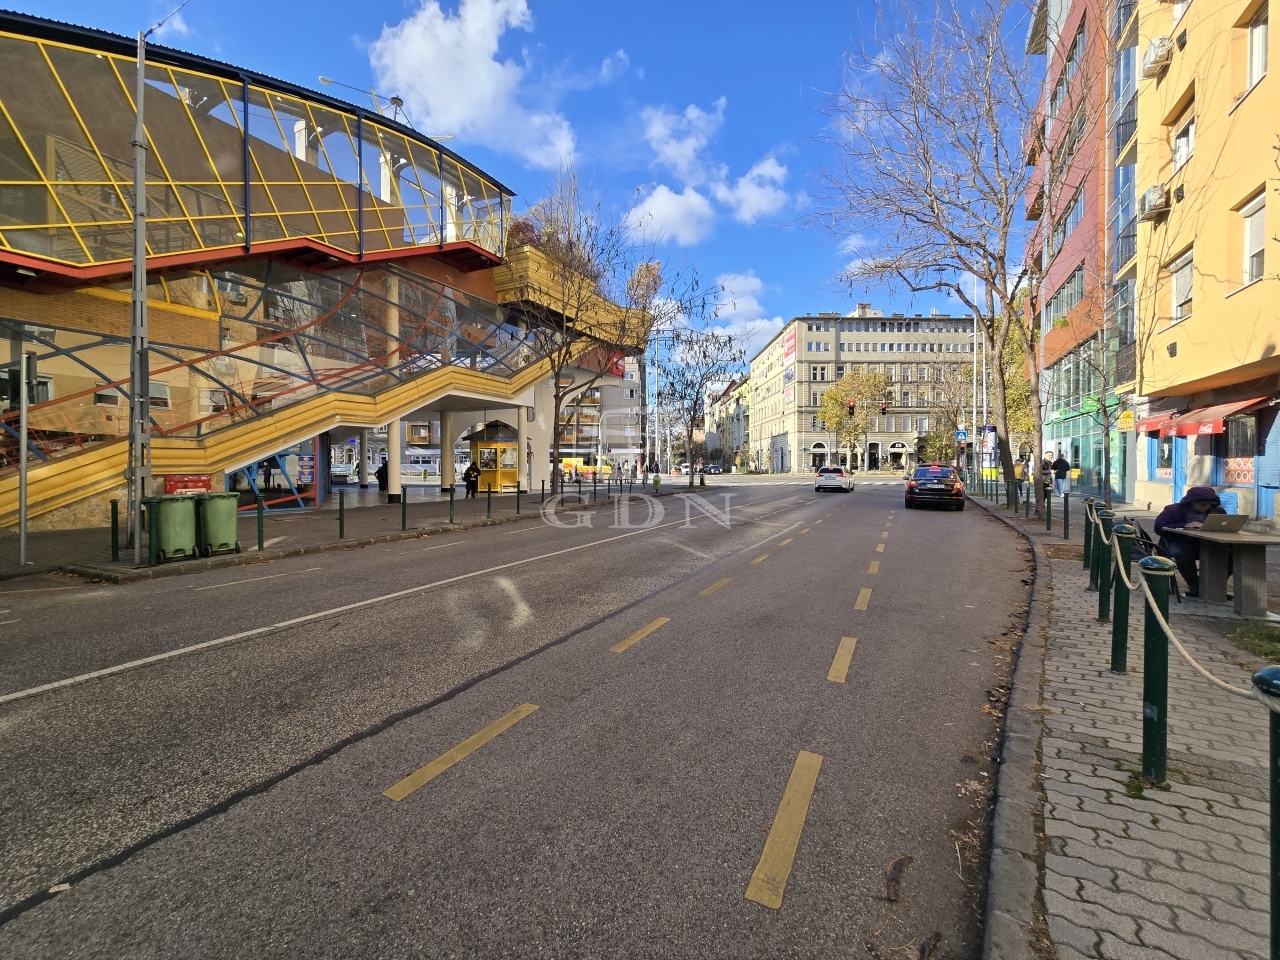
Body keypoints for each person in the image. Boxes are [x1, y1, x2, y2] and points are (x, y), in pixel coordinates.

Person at [1154, 486, 1227, 597]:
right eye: (1201, 504)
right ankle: (1194, 584)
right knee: (1181, 552)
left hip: (1207, 544)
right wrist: (1184, 526)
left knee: (1230, 554)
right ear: (1190, 502)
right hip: (1177, 542)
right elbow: (1158, 527)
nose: (1205, 507)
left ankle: (1215, 585)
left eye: (1208, 504)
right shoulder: (1172, 510)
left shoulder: (1218, 511)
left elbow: (1224, 526)